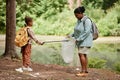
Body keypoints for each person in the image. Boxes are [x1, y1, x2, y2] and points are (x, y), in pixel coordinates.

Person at [69, 6, 93, 77]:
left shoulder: (87, 20)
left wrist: (78, 39)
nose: (76, 17)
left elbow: (87, 32)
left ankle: (83, 72)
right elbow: (77, 30)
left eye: (76, 15)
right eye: (75, 15)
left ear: (81, 13)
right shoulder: (79, 20)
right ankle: (85, 70)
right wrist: (71, 35)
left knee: (81, 54)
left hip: (85, 41)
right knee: (83, 54)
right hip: (80, 41)